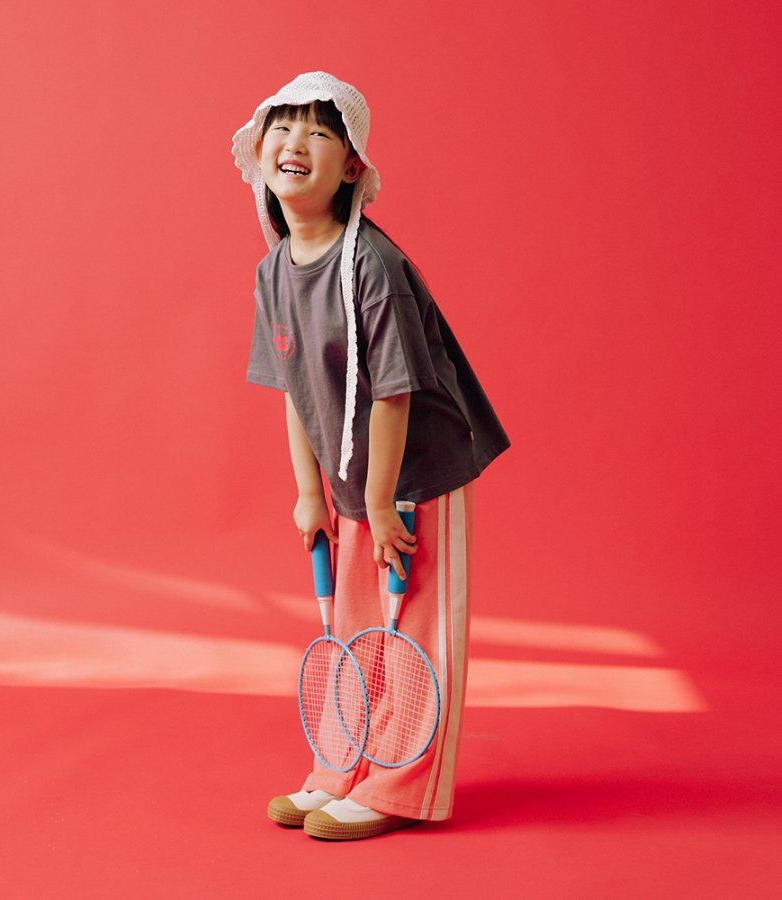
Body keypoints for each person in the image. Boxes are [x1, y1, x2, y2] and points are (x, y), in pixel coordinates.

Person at [233, 72, 509, 840]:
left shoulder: (373, 268)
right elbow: (292, 387)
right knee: (357, 630)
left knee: (415, 632)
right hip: (355, 483)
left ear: (351, 168)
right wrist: (309, 493)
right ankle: (341, 769)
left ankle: (401, 787)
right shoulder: (274, 271)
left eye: (319, 133)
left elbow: (393, 394)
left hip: (416, 478)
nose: (296, 142)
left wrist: (384, 503)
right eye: (283, 127)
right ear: (261, 153)